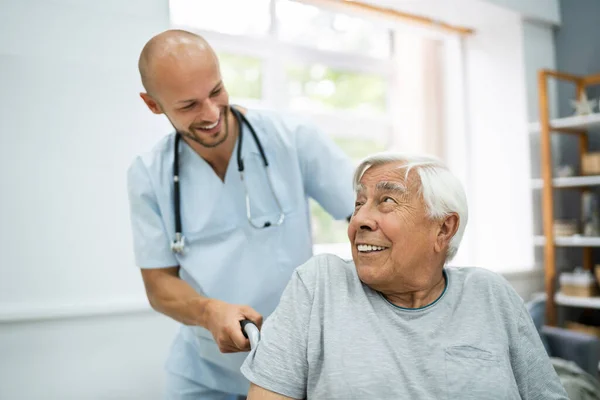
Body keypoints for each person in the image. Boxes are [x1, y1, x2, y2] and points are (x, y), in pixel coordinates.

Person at [126, 29, 355, 399]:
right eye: (188, 106)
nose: (212, 113)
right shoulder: (149, 174)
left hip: (295, 366)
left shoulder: (293, 139)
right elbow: (158, 285)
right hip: (204, 372)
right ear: (153, 105)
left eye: (216, 91)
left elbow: (366, 217)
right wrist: (208, 311)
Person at [241, 153, 569, 399]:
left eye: (387, 201)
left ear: (444, 228)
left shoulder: (489, 293)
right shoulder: (319, 285)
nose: (358, 222)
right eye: (358, 204)